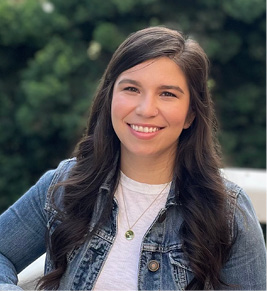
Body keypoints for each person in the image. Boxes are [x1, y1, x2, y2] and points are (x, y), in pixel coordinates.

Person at [0, 26, 266, 291]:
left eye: (167, 94)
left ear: (191, 114)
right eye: (131, 89)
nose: (145, 109)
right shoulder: (65, 186)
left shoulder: (228, 213)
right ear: (110, 97)